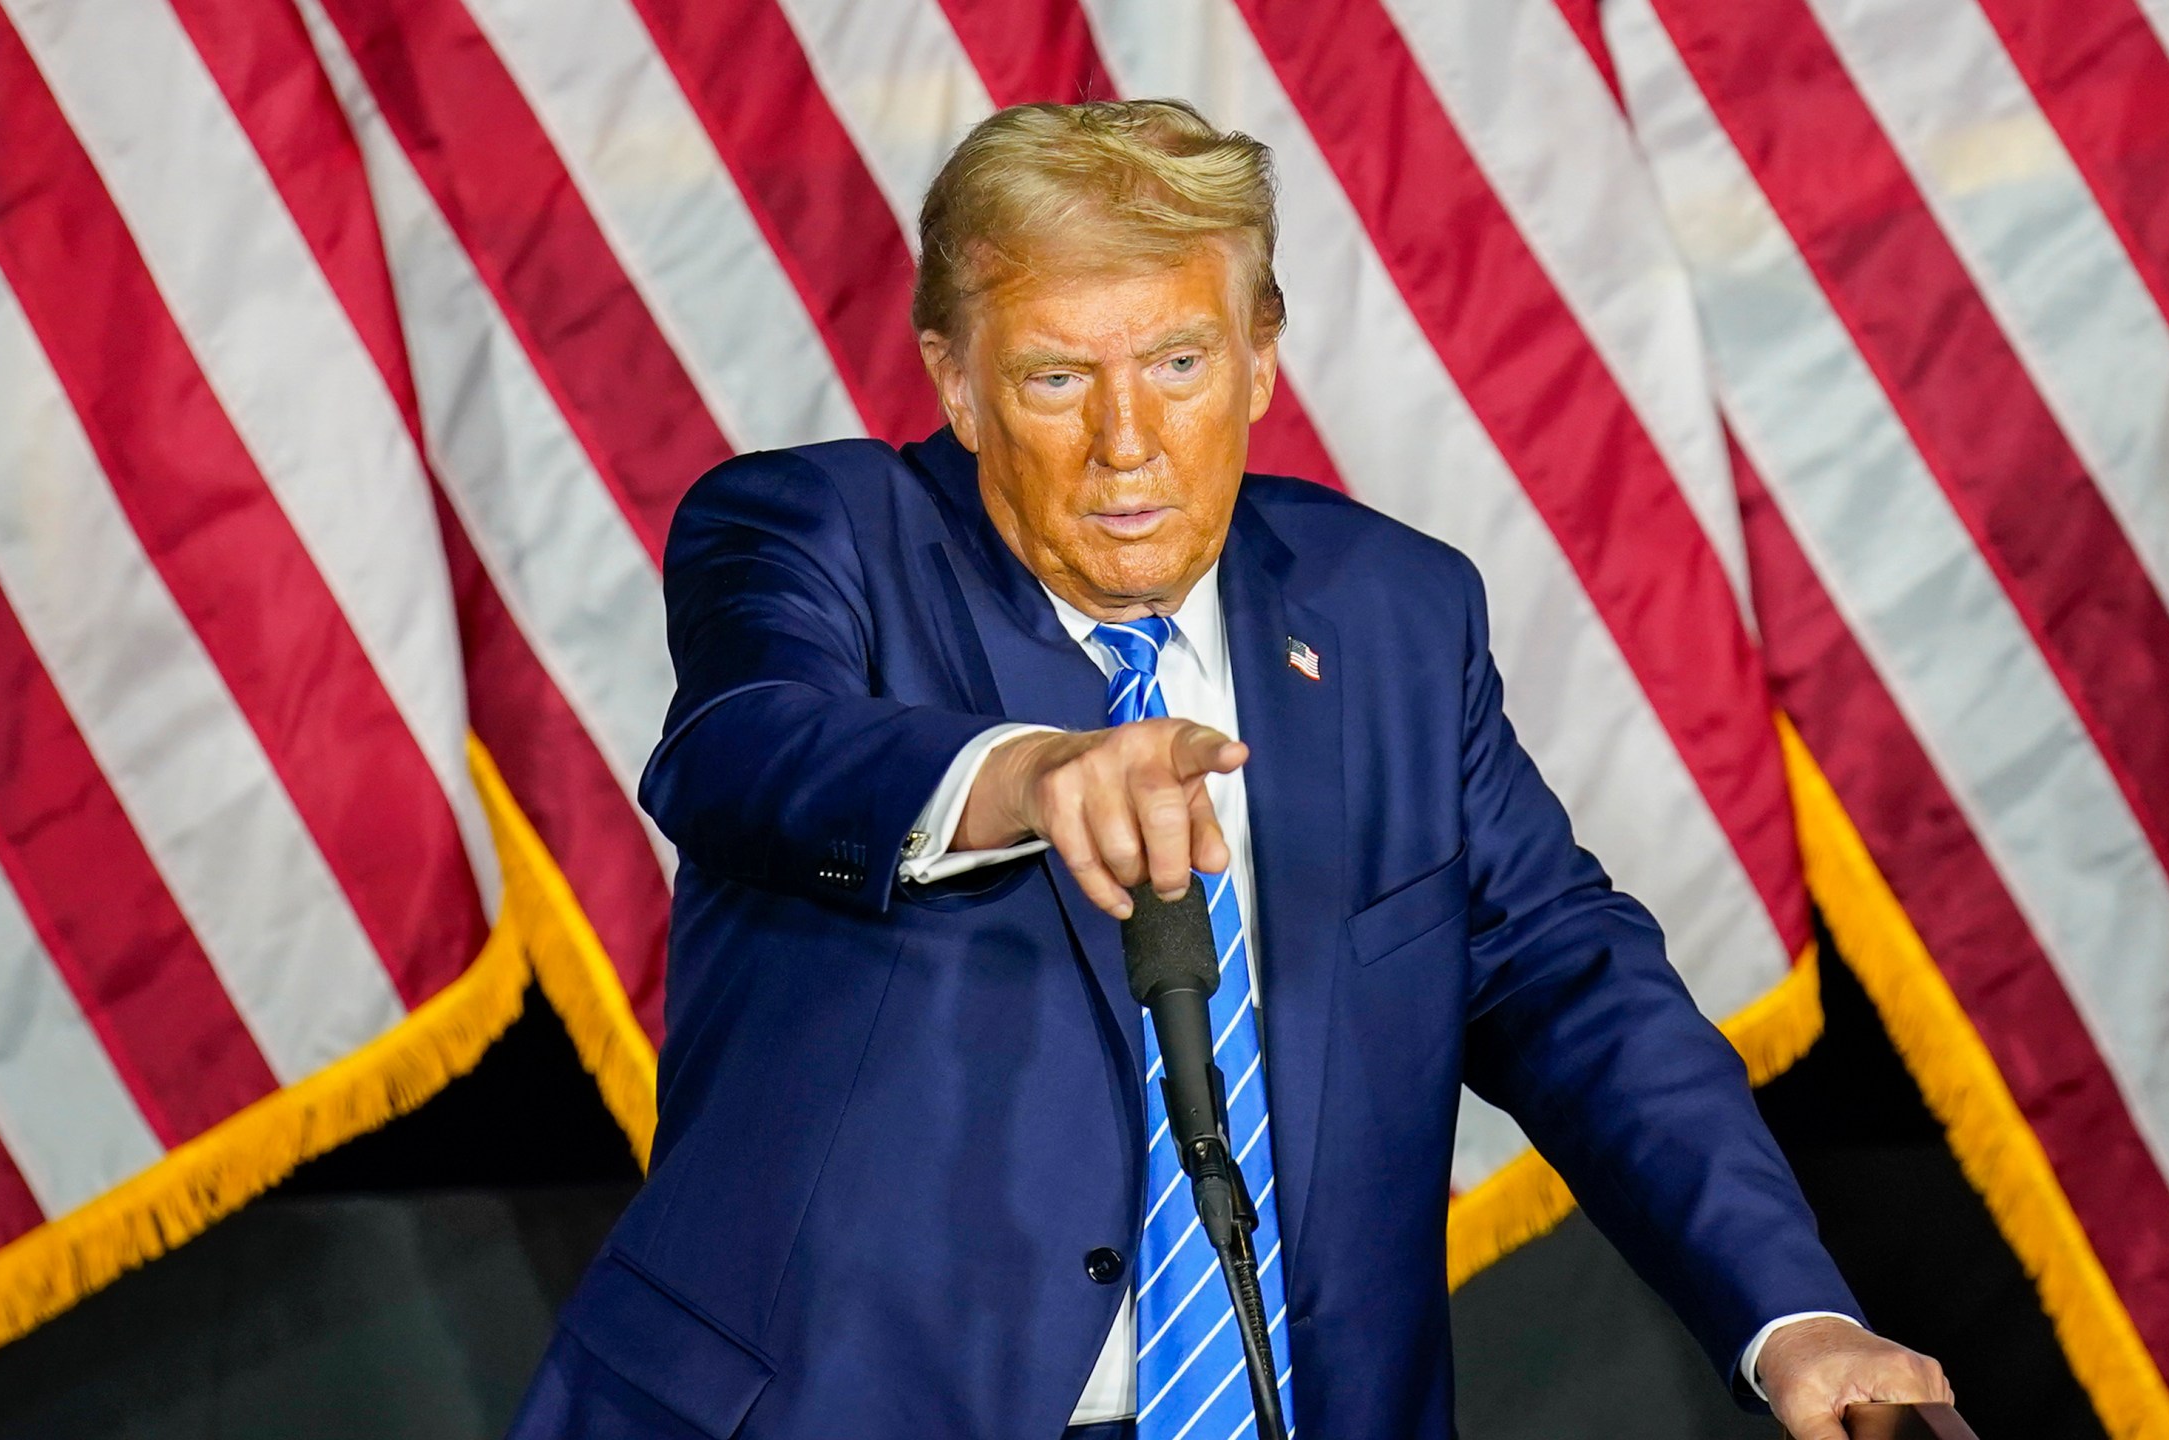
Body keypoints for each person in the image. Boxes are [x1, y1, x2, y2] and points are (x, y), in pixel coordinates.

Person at [507, 99, 1950, 1440]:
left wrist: (1796, 1317)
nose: (1126, 442)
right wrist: (1024, 776)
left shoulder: (1390, 611)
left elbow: (1574, 987)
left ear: (1262, 355)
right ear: (954, 381)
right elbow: (744, 746)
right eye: (1057, 375)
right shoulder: (821, 533)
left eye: (1180, 364)